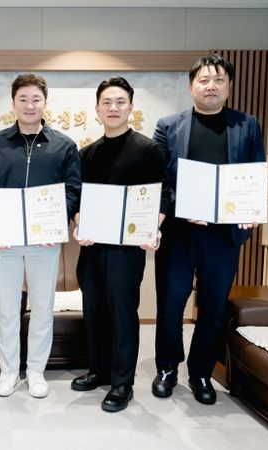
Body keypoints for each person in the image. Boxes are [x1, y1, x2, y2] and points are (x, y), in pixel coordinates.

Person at [151, 54, 266, 405]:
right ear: (191, 86)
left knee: (213, 308)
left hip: (223, 235)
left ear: (229, 86)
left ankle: (200, 372)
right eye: (204, 80)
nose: (211, 86)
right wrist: (183, 208)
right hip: (179, 234)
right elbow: (158, 180)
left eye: (219, 80)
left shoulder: (247, 125)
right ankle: (167, 368)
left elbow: (256, 171)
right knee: (171, 305)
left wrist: (251, 208)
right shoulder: (168, 126)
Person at [0, 73, 81, 398]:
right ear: (13, 103)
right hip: (5, 242)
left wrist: (56, 223)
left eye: (36, 99)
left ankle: (36, 371)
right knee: (7, 309)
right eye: (23, 99)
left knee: (42, 307)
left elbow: (72, 190)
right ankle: (8, 371)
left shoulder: (64, 145)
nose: (30, 105)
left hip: (44, 242)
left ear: (45, 103)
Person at [71, 77, 170, 412]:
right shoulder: (86, 154)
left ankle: (122, 382)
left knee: (123, 313)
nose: (113, 108)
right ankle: (98, 370)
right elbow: (76, 200)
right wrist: (79, 224)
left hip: (127, 250)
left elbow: (163, 196)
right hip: (92, 246)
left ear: (131, 107)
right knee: (94, 309)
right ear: (97, 109)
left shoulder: (148, 150)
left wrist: (153, 228)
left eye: (120, 102)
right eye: (107, 103)